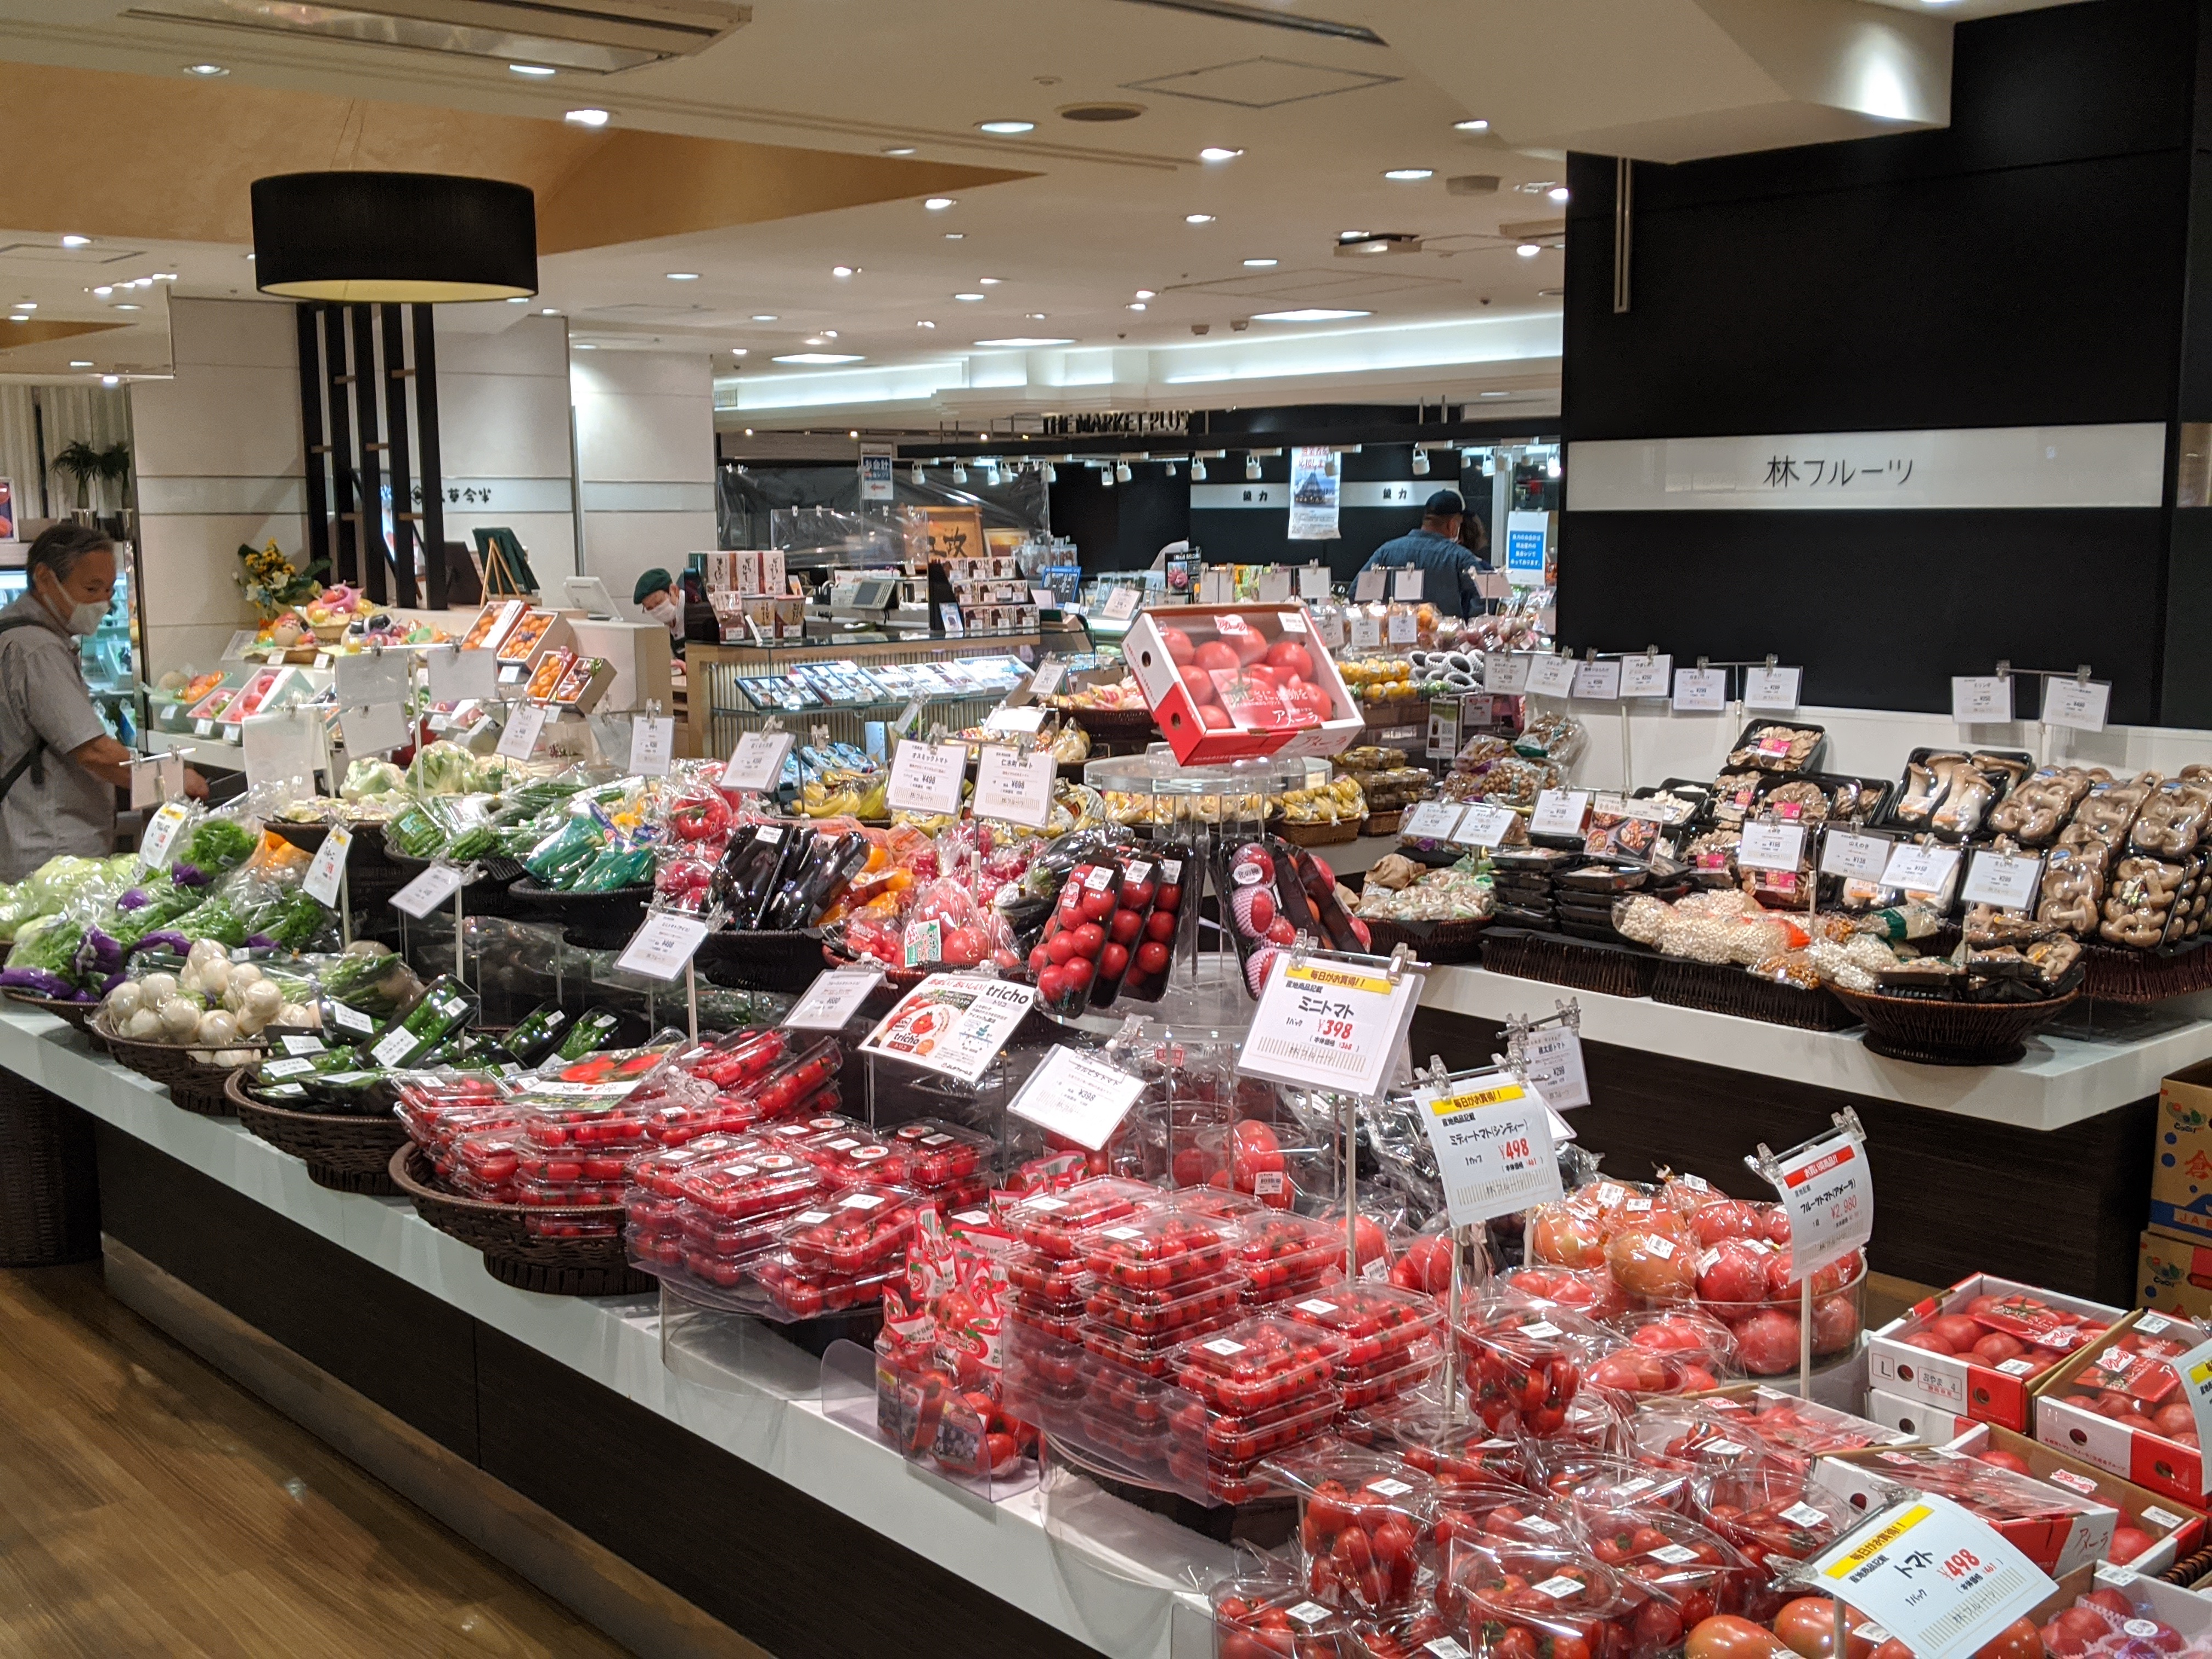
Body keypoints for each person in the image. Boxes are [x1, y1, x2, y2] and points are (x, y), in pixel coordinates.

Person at [0, 522, 205, 881]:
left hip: (30, 839)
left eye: (108, 590)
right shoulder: (37, 649)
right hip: (52, 850)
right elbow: (93, 752)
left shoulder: (16, 635)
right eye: (91, 588)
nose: (103, 603)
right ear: (45, 579)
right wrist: (172, 778)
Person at [1359, 488, 1484, 619]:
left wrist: (1380, 621)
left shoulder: (1387, 551)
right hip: (1444, 637)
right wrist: (1469, 627)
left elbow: (1356, 593)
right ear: (1452, 525)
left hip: (1394, 635)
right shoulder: (1460, 557)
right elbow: (1484, 597)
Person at [634, 568, 685, 645]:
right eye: (650, 608)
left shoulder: (694, 611)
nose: (657, 611)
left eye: (658, 603)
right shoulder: (670, 621)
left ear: (674, 591)